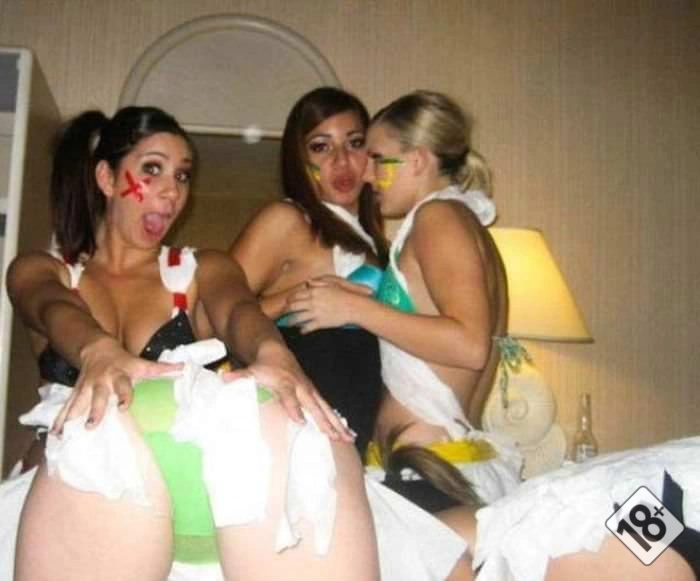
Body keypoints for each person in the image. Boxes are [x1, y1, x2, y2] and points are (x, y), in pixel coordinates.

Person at [3, 106, 379, 581]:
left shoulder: (198, 269)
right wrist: (97, 350)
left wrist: (272, 353)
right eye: (152, 169)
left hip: (190, 491)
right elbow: (52, 307)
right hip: (71, 500)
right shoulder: (44, 270)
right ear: (106, 177)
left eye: (181, 176)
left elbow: (237, 310)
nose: (171, 192)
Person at [231, 86, 388, 458]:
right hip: (300, 429)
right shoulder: (287, 219)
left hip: (356, 432)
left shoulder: (374, 241)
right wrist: (293, 298)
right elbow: (211, 315)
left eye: (354, 143)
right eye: (321, 147)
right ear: (299, 159)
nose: (341, 160)